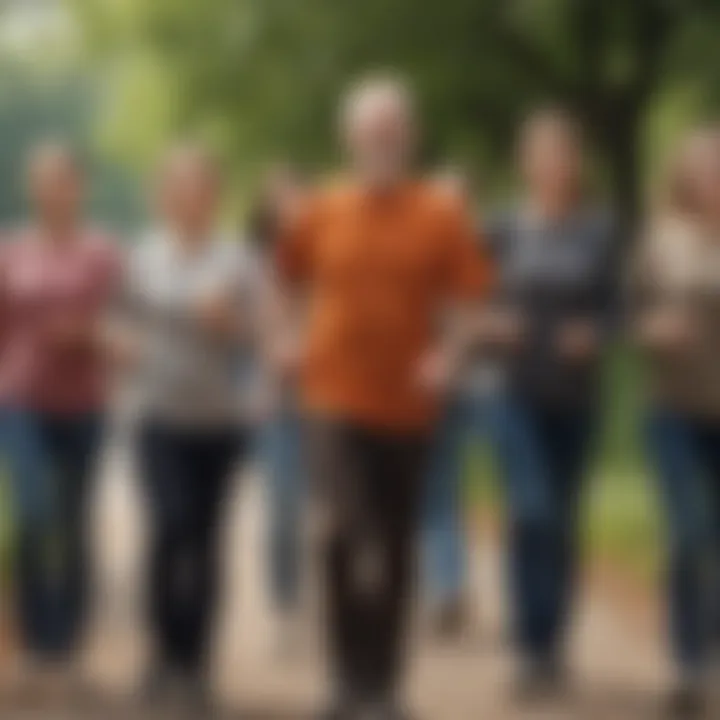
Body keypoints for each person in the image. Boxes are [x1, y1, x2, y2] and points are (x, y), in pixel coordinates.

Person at [275, 76, 493, 720]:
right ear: (349, 139)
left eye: (393, 130)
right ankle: (345, 679)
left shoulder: (441, 213)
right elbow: (283, 283)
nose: (383, 141)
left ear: (411, 137)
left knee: (397, 542)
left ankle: (383, 685)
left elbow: (470, 300)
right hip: (331, 395)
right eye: (371, 131)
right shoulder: (320, 209)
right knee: (342, 530)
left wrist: (448, 358)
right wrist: (285, 340)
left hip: (410, 404)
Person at [115, 144, 260, 714]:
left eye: (199, 185)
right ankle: (161, 655)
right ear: (161, 195)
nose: (188, 195)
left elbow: (261, 332)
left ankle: (196, 663)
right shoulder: (141, 255)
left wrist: (231, 323)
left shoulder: (238, 258)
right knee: (168, 530)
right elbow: (117, 320)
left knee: (205, 539)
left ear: (214, 194)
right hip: (156, 416)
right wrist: (117, 343)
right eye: (177, 185)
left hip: (219, 421)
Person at [484, 109, 617, 698]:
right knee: (531, 510)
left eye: (561, 152)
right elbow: (463, 299)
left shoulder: (600, 230)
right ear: (525, 161)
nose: (551, 163)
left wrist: (596, 332)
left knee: (561, 522)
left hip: (576, 396)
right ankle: (530, 648)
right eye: (540, 152)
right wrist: (492, 323)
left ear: (575, 161)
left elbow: (620, 309)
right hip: (514, 392)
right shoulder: (502, 229)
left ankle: (554, 645)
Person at [0, 142, 121, 693]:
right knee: (34, 515)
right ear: (32, 188)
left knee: (73, 524)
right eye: (43, 180)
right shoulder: (9, 250)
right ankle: (33, 645)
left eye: (64, 180)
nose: (54, 189)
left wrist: (93, 336)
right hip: (20, 401)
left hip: (84, 404)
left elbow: (126, 328)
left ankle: (67, 649)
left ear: (79, 187)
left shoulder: (102, 253)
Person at [633, 128, 720, 719]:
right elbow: (626, 313)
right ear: (684, 177)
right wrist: (652, 329)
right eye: (705, 167)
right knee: (689, 533)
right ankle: (688, 664)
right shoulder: (661, 240)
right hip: (674, 410)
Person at [248, 164, 309, 652]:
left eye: (298, 199)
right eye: (280, 203)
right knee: (282, 508)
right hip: (278, 401)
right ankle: (286, 607)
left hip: (334, 400)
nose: (289, 211)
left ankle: (326, 607)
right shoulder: (253, 263)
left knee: (336, 514)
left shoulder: (336, 255)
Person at [422, 167, 483, 637]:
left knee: (442, 490)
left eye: (458, 203)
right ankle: (434, 586)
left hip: (455, 393)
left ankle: (447, 587)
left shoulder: (476, 258)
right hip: (406, 393)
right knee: (419, 495)